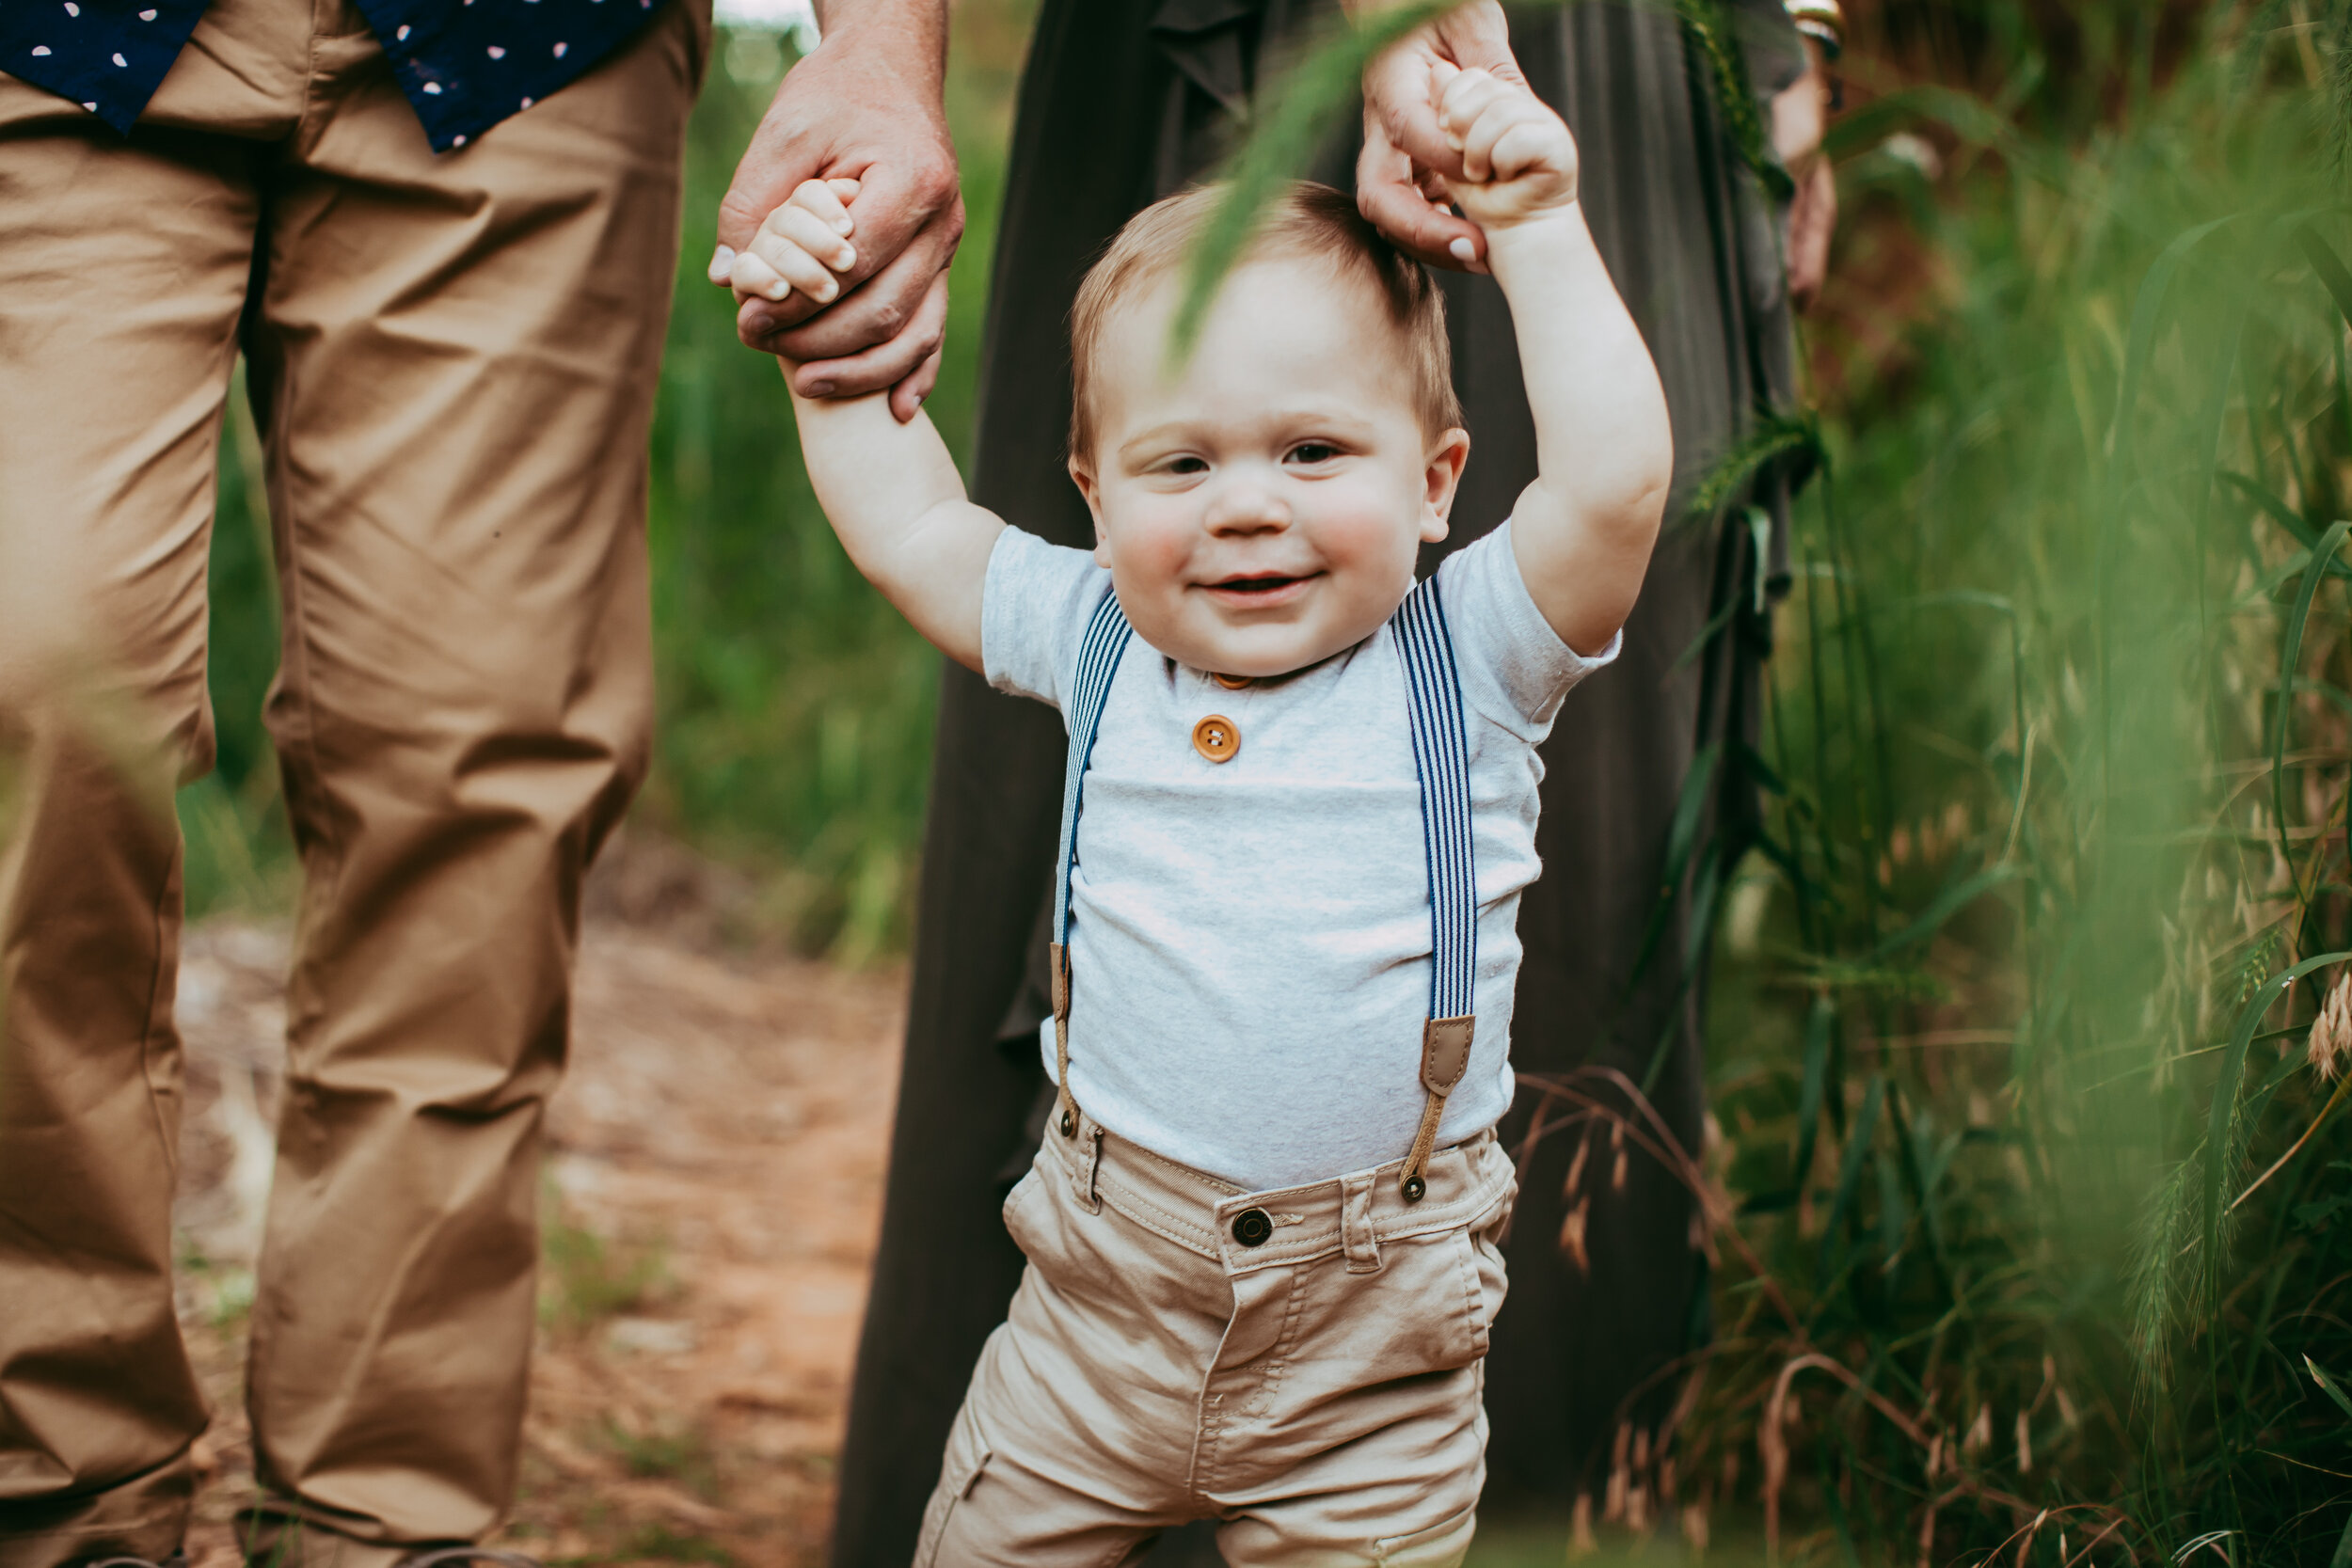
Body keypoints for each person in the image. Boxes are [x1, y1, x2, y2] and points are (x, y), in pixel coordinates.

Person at [712, 1, 1829, 1557]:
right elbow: (917, 532)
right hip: (1092, 1327)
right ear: (1094, 495)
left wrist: (1542, 227)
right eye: (1183, 466)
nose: (1247, 509)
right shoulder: (1100, 638)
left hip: (1373, 1372)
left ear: (1438, 483)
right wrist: (829, 365)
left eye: (1314, 453)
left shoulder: (1474, 661)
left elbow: (1615, 484)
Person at [0, 0, 708, 1562]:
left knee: (479, 762)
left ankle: (381, 1529)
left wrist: (874, 51)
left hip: (534, 43)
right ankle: (52, 1510)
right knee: (28, 690)